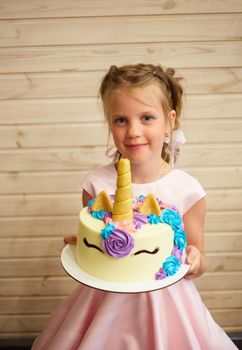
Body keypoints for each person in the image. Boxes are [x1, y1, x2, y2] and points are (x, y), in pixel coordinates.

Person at [32, 64, 237, 349]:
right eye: (120, 120)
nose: (133, 131)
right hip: (104, 305)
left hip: (168, 306)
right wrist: (84, 244)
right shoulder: (97, 184)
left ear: (170, 121)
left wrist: (194, 259)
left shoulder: (186, 189)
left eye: (147, 117)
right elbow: (101, 239)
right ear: (109, 124)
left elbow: (198, 256)